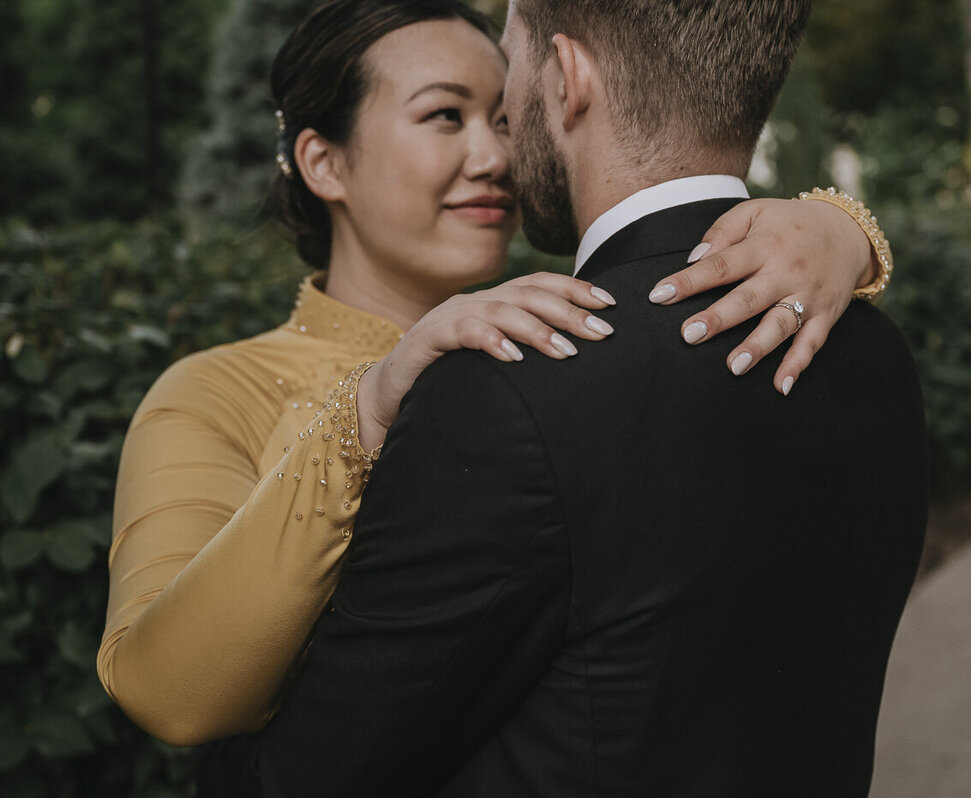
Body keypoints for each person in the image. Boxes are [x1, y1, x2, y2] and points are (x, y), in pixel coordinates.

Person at [99, 0, 891, 748]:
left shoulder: (583, 339)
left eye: (506, 117)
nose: (495, 157)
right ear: (323, 161)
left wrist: (836, 231)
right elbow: (166, 692)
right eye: (446, 116)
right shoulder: (210, 395)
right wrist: (368, 404)